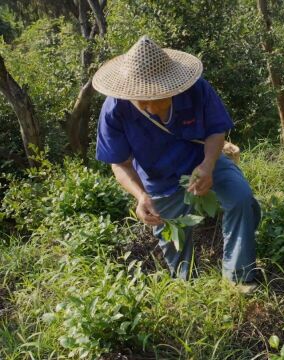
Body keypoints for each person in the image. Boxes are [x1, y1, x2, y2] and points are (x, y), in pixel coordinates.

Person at [92, 36, 260, 290]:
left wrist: (208, 165)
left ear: (172, 88)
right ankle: (189, 286)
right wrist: (140, 196)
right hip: (158, 180)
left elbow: (216, 131)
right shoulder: (115, 110)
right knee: (172, 236)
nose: (150, 108)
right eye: (142, 101)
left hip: (202, 160)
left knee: (241, 198)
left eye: (157, 100)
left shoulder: (196, 89)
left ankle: (239, 276)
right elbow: (120, 164)